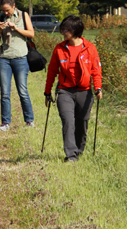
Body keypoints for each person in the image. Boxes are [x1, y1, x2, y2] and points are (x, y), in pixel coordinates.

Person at [44, 15, 102, 163]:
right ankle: (71, 155)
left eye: (66, 29)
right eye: (62, 29)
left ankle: (79, 149)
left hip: (84, 91)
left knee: (82, 123)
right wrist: (47, 91)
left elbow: (96, 70)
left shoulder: (90, 48)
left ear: (75, 30)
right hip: (65, 91)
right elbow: (52, 71)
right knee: (68, 121)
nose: (63, 32)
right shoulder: (59, 48)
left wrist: (98, 88)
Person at [0, 0, 35, 132]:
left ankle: (29, 120)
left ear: (13, 6)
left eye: (7, 10)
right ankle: (5, 122)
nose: (5, 13)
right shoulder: (0, 17)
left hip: (20, 58)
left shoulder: (23, 16)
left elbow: (31, 34)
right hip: (4, 58)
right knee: (5, 92)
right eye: (3, 10)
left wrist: (15, 28)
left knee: (22, 91)